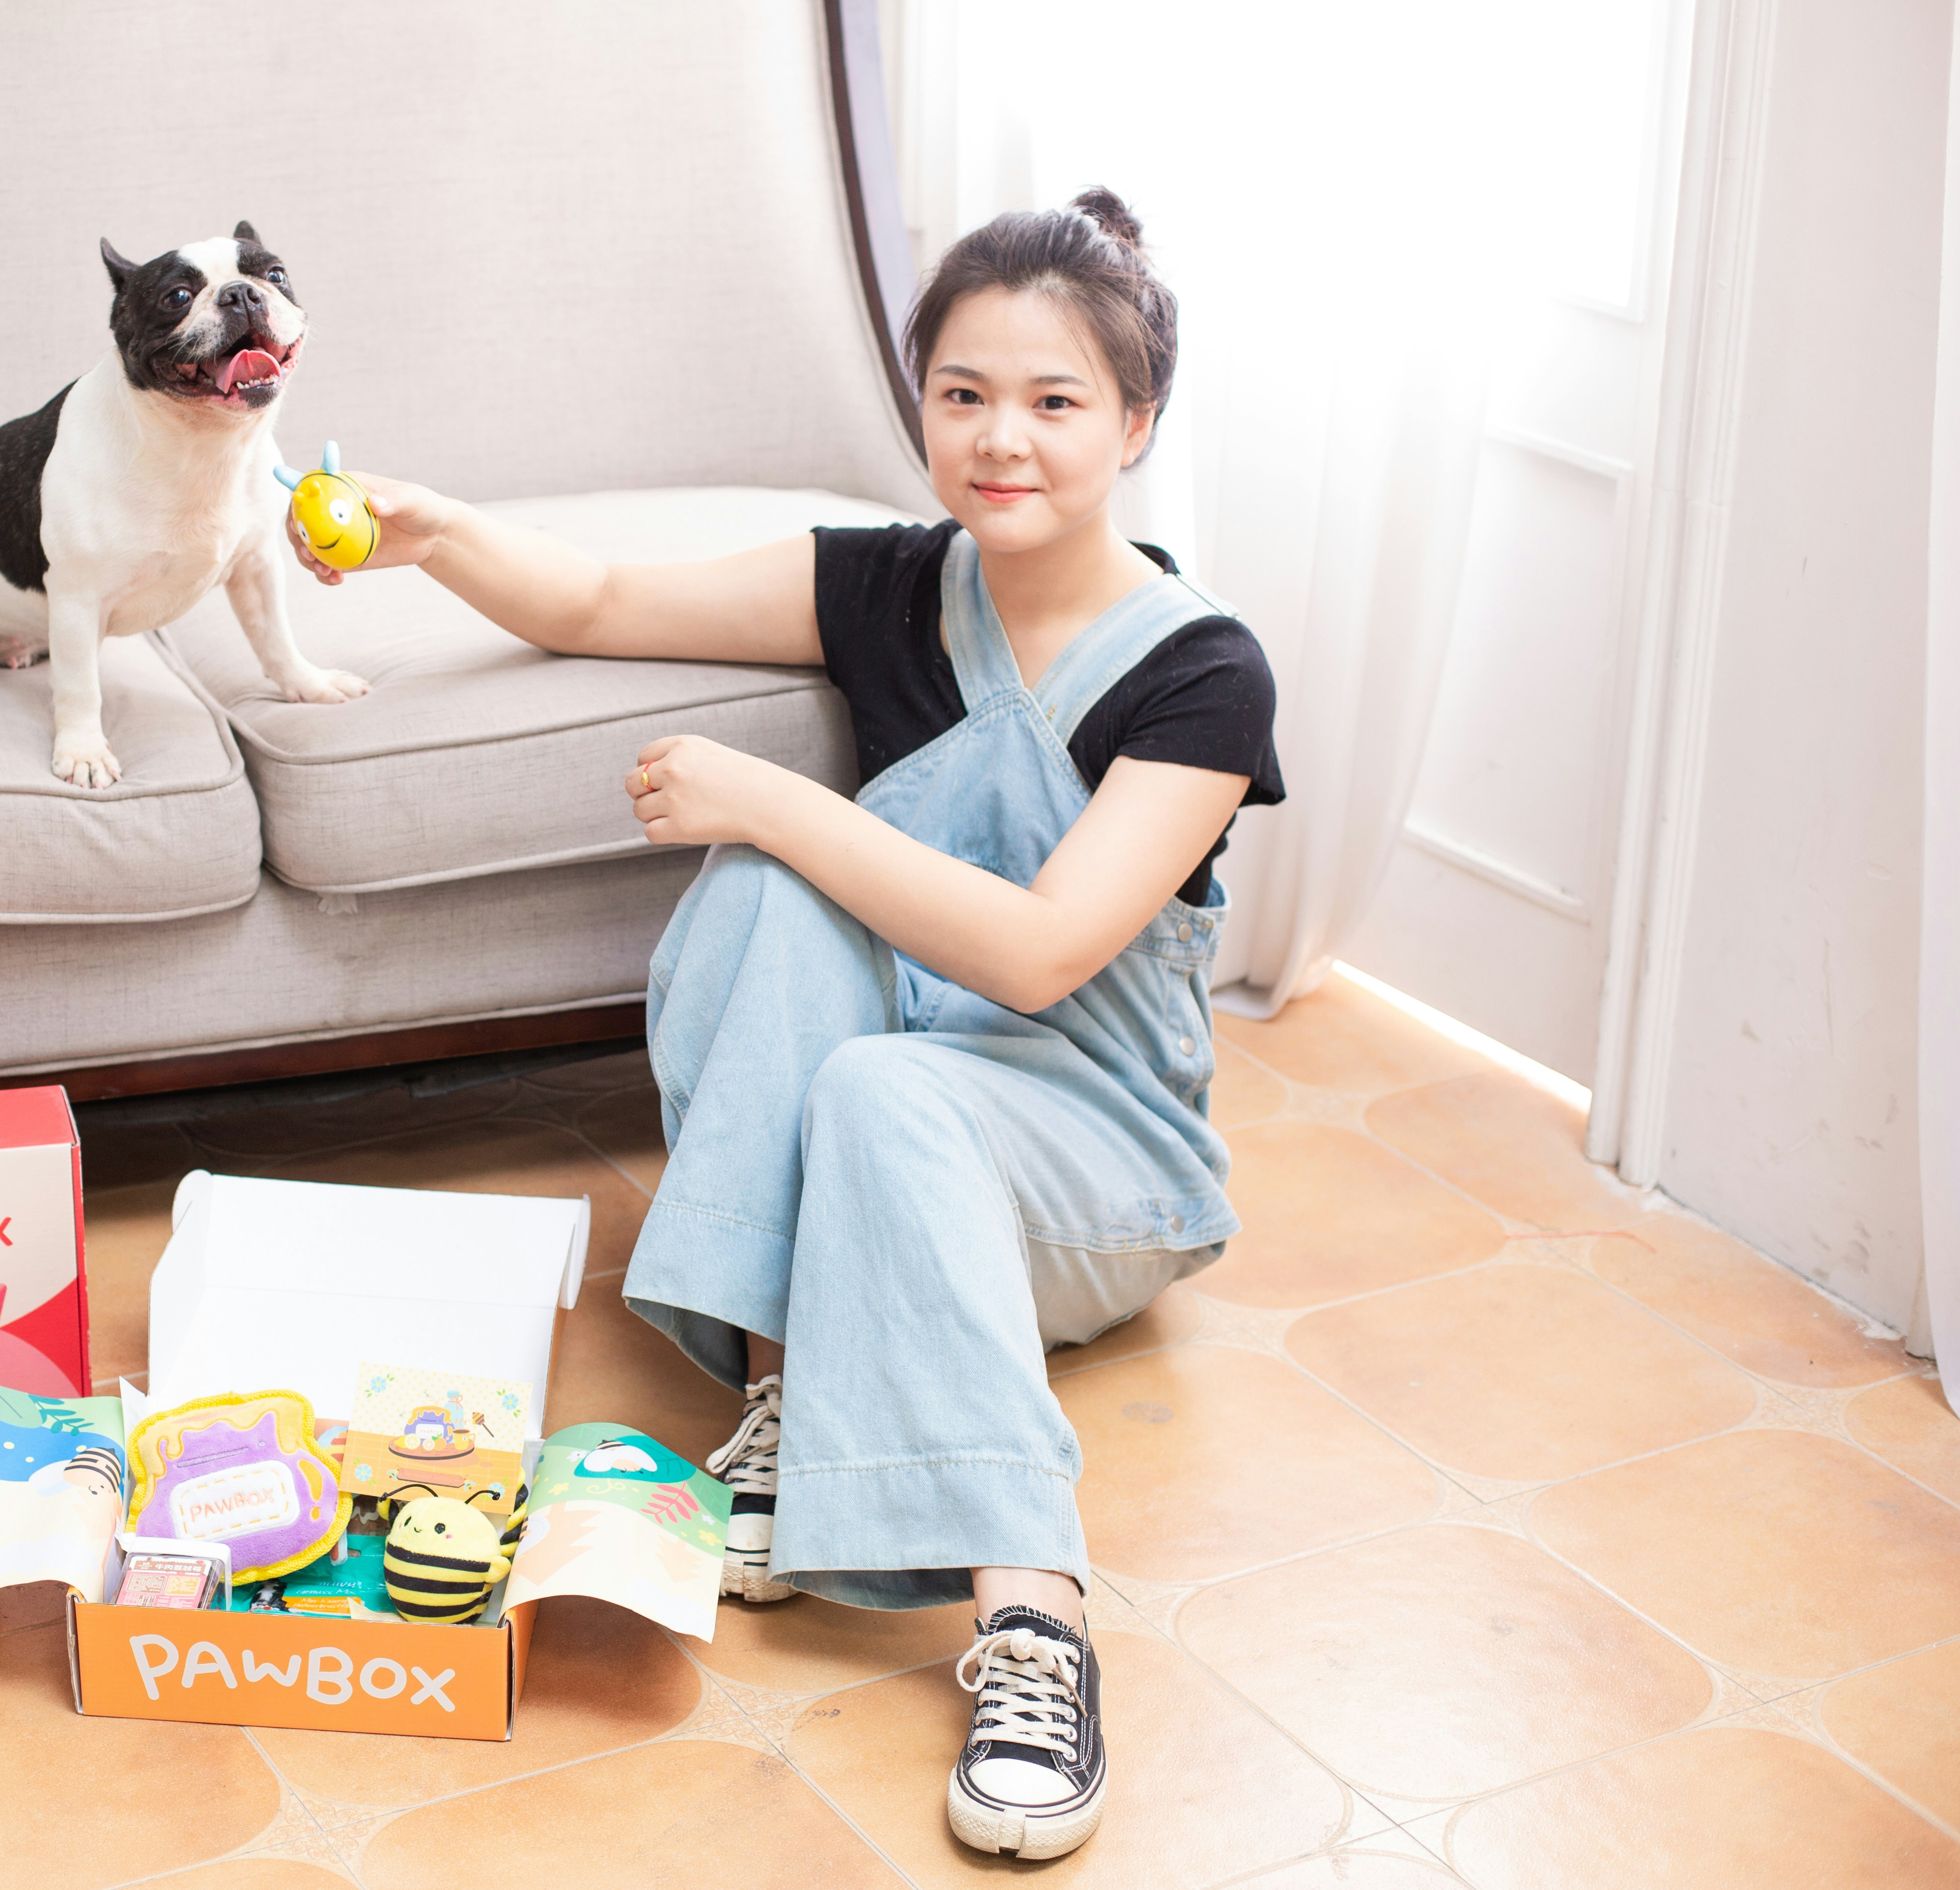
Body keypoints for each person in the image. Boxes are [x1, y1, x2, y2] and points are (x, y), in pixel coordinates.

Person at [286, 188, 1282, 1862]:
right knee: (772, 907)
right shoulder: (889, 585)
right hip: (895, 1120)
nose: (1000, 439)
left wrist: (775, 801)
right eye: (963, 394)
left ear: (1137, 422)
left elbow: (1043, 958)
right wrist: (435, 532)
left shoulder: (1203, 674)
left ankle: (1034, 1623)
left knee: (860, 1021)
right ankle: (788, 1388)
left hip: (1093, 1165)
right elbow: (603, 598)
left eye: (1054, 402)